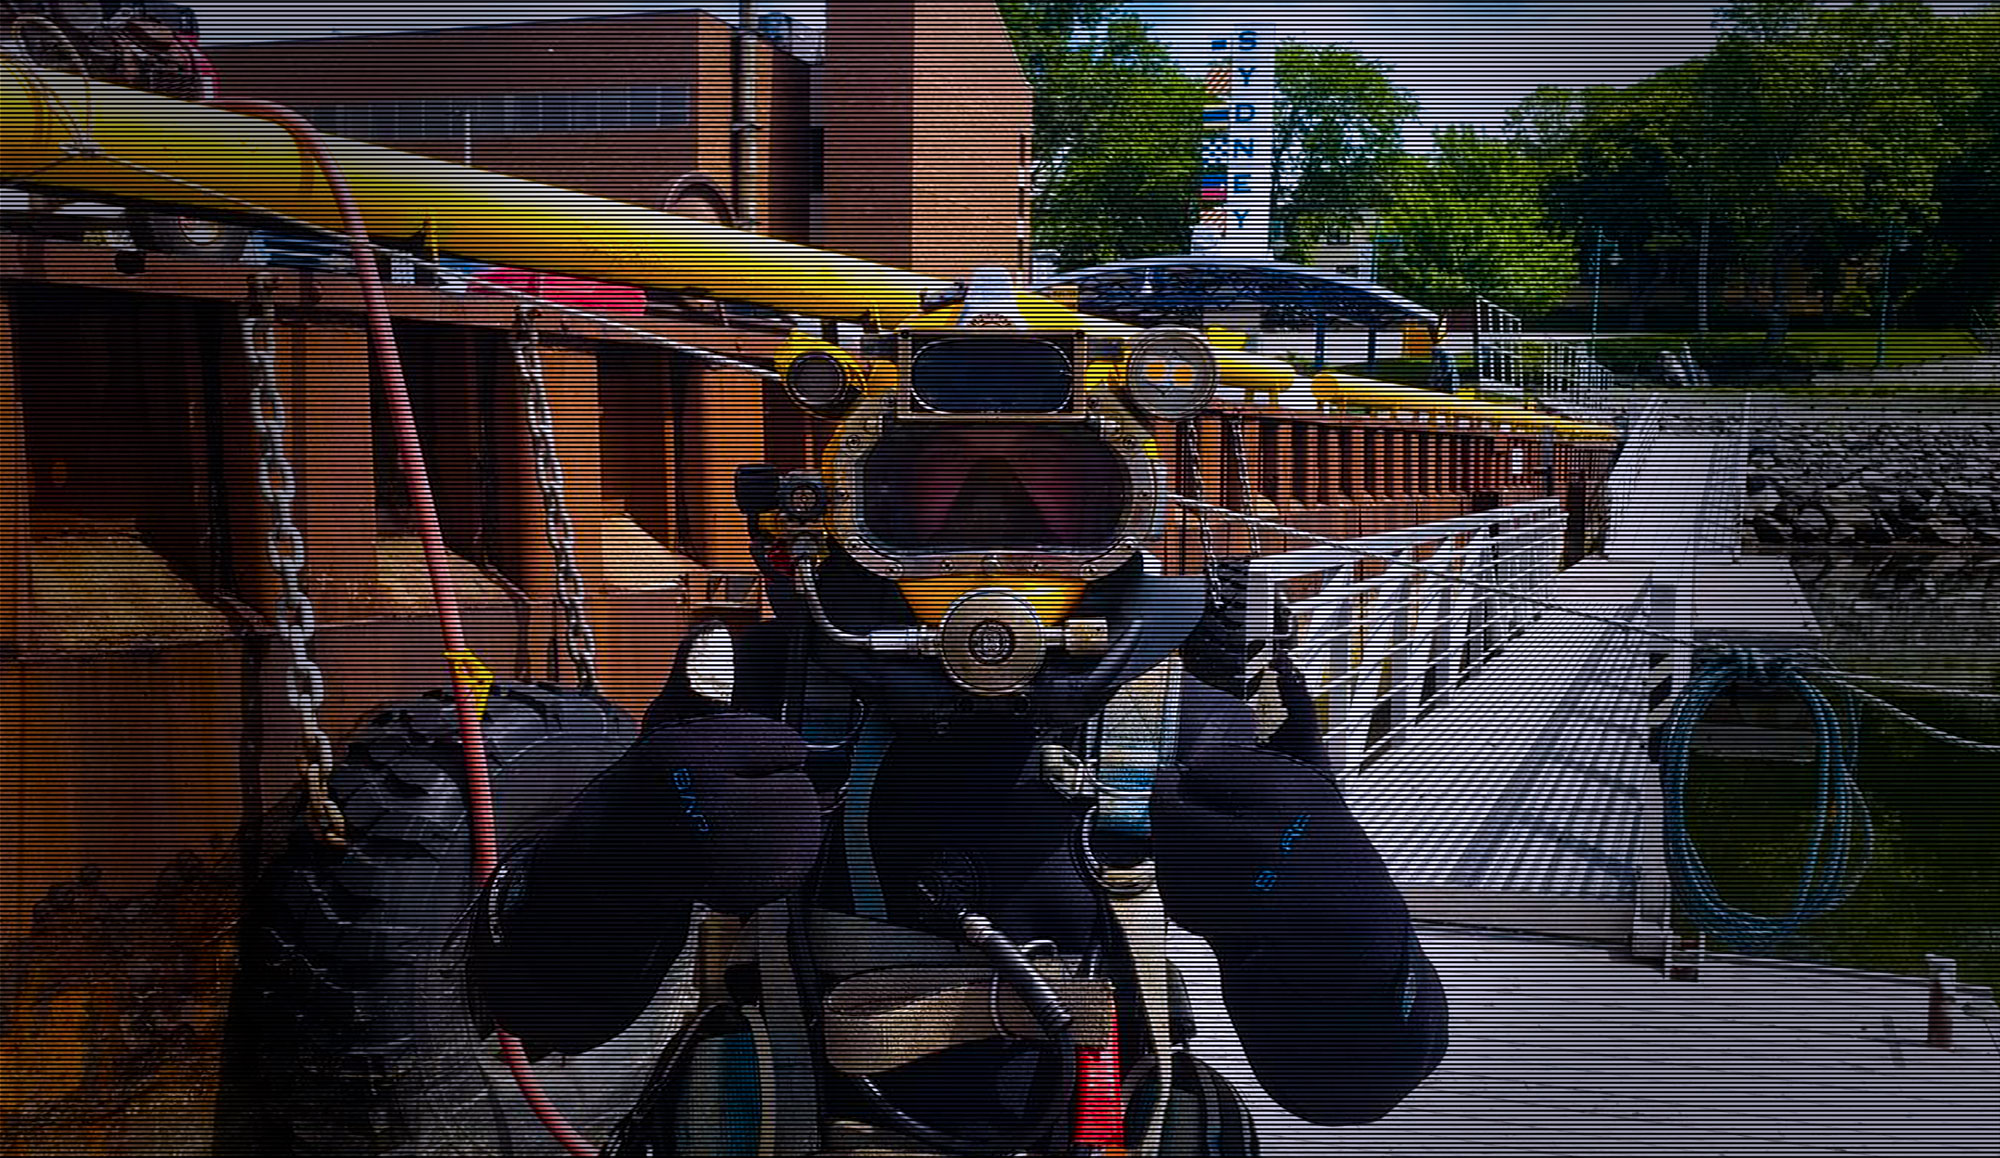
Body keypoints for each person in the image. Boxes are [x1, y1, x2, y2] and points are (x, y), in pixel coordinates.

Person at [468, 273, 1448, 1156]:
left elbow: (1354, 1082)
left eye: (1048, 488)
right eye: (939, 488)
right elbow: (531, 1003)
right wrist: (624, 846)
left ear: (1123, 507)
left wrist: (1342, 924)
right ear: (850, 501)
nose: (989, 525)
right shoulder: (750, 689)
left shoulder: (1199, 713)